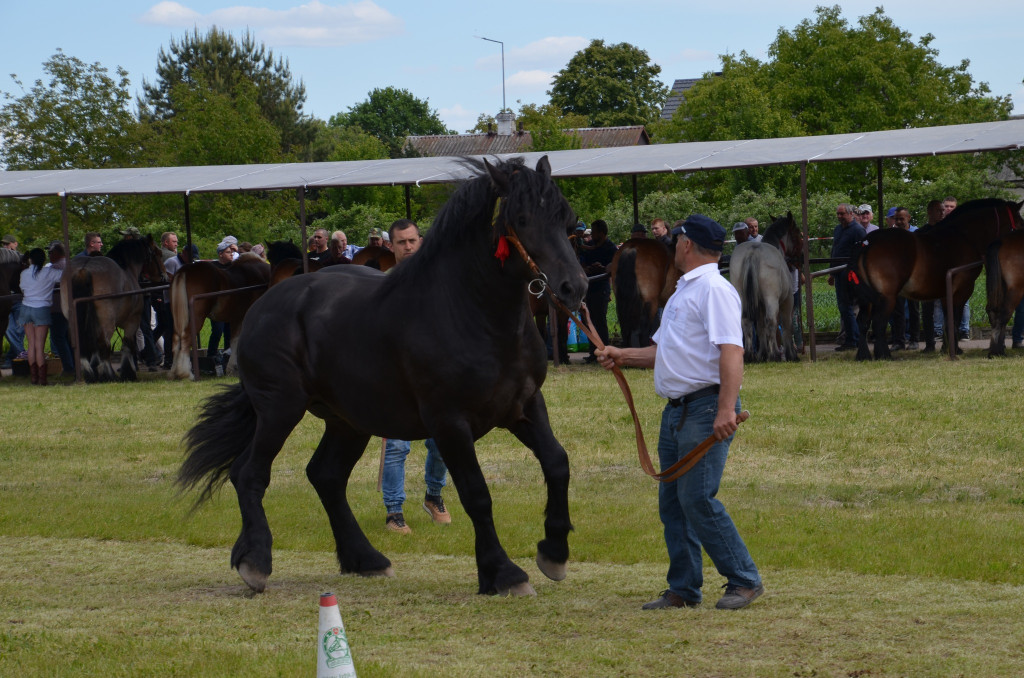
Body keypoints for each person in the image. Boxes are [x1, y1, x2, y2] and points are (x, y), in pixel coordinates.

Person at [595, 214, 763, 611]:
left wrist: (725, 409)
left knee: (697, 499)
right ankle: (684, 588)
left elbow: (732, 351)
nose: (673, 245)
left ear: (686, 244)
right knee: (673, 503)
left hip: (705, 408)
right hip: (678, 412)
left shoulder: (714, 290)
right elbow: (663, 352)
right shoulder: (684, 291)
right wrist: (622, 354)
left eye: (677, 240)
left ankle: (744, 579)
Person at [381, 218, 451, 534]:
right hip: (396, 378)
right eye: (401, 242)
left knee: (442, 441)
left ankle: (434, 496)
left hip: (435, 376)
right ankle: (394, 511)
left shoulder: (438, 280)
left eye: (412, 240)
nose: (408, 247)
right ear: (391, 246)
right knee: (397, 446)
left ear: (420, 241)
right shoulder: (385, 284)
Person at [18, 247, 65, 385]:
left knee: (31, 344)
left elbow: (22, 288)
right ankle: (42, 379)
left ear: (30, 259)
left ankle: (34, 378)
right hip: (41, 309)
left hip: (25, 308)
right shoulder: (49, 272)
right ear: (44, 259)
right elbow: (65, 275)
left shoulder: (24, 273)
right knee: (40, 345)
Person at [578, 219, 617, 363]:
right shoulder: (589, 246)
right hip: (588, 288)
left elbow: (613, 266)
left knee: (599, 320)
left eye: (594, 232)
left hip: (601, 288)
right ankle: (592, 352)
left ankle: (604, 352)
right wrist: (587, 268)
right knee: (588, 320)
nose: (592, 235)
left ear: (602, 233)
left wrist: (603, 268)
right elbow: (582, 262)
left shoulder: (611, 248)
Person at [829, 203, 866, 351]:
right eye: (838, 214)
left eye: (842, 214)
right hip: (838, 272)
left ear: (850, 214)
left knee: (847, 306)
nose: (839, 217)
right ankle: (852, 338)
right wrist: (831, 272)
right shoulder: (838, 229)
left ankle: (853, 339)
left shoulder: (858, 230)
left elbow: (863, 250)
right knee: (844, 308)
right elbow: (835, 250)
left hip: (850, 273)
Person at [46, 242, 75, 375]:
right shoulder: (71, 265)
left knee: (58, 337)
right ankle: (73, 364)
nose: (49, 255)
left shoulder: (53, 268)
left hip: (57, 308)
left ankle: (68, 367)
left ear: (57, 253)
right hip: (70, 307)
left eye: (50, 253)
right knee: (68, 337)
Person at [1, 234, 25, 368]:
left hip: (18, 299)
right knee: (9, 330)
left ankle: (12, 358)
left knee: (19, 331)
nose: (5, 246)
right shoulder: (3, 260)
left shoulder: (21, 260)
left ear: (15, 244)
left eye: (8, 243)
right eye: (4, 244)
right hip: (6, 300)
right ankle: (23, 356)